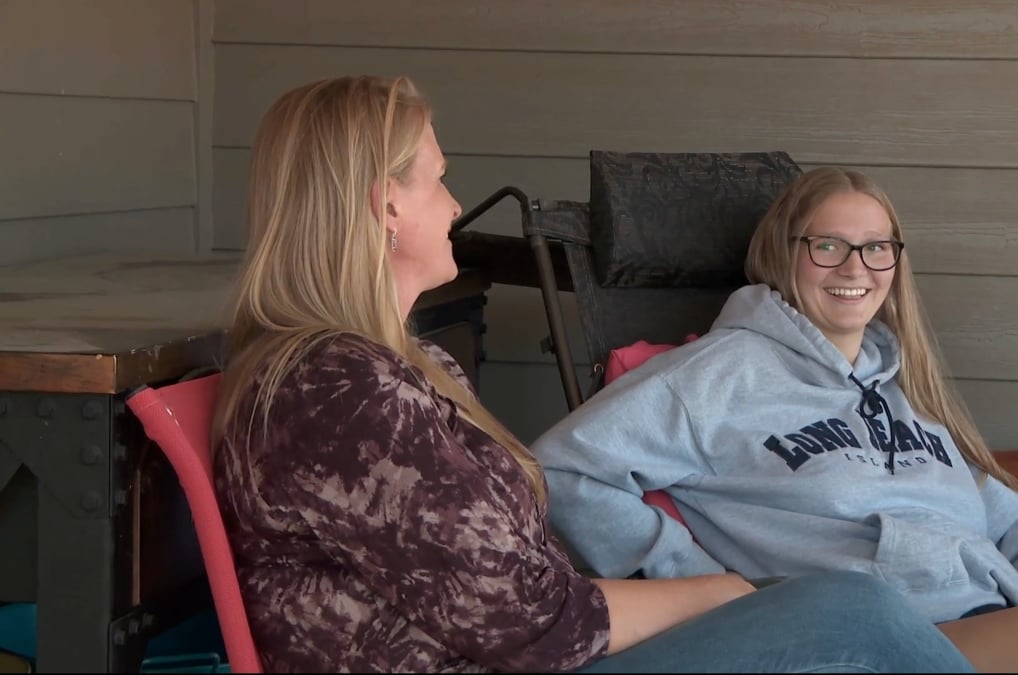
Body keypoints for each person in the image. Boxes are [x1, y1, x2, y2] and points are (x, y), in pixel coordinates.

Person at [208, 76, 977, 673]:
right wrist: (720, 589)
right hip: (517, 659)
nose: (454, 204)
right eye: (438, 180)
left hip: (534, 652)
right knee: (853, 613)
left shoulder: (400, 369)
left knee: (842, 615)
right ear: (383, 206)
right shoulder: (334, 393)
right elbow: (526, 617)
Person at [531, 166, 1018, 672]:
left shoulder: (897, 390)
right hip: (864, 637)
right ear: (783, 251)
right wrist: (693, 578)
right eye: (829, 245)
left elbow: (1013, 526)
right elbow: (563, 466)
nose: (857, 267)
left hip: (974, 621)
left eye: (878, 247)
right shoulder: (722, 372)